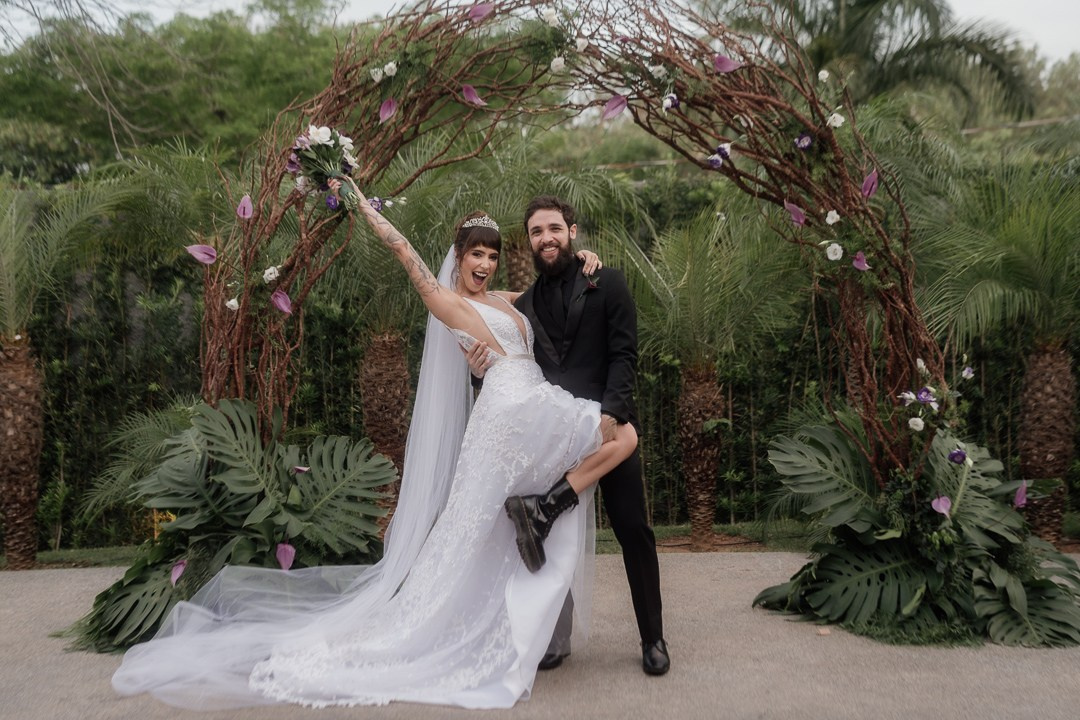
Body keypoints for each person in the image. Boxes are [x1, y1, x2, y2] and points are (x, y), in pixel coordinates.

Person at [111, 198, 636, 710]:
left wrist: (586, 261)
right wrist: (359, 202)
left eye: (493, 254)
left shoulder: (504, 299)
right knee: (613, 444)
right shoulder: (444, 300)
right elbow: (404, 251)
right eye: (476, 253)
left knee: (480, 525)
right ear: (458, 255)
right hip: (510, 408)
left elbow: (555, 286)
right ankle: (534, 522)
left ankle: (540, 520)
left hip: (529, 404)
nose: (485, 264)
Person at [465, 195, 669, 676]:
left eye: (554, 228)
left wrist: (613, 413)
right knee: (553, 541)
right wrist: (478, 376)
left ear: (572, 232)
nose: (546, 238)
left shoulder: (609, 281)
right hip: (554, 433)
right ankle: (554, 640)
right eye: (537, 232)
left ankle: (653, 638)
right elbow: (514, 368)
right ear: (530, 242)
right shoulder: (526, 304)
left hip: (609, 427)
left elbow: (625, 355)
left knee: (632, 529)